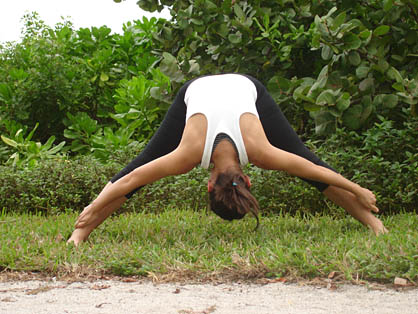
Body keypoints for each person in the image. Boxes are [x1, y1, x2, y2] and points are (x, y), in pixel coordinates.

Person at [68, 74, 387, 245]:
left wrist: (95, 206)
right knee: (143, 164)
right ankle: (375, 225)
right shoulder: (197, 155)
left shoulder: (252, 153)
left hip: (233, 89)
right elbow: (316, 170)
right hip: (224, 88)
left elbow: (129, 180)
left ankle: (79, 234)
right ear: (210, 186)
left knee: (142, 165)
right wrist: (356, 188)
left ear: (245, 182)